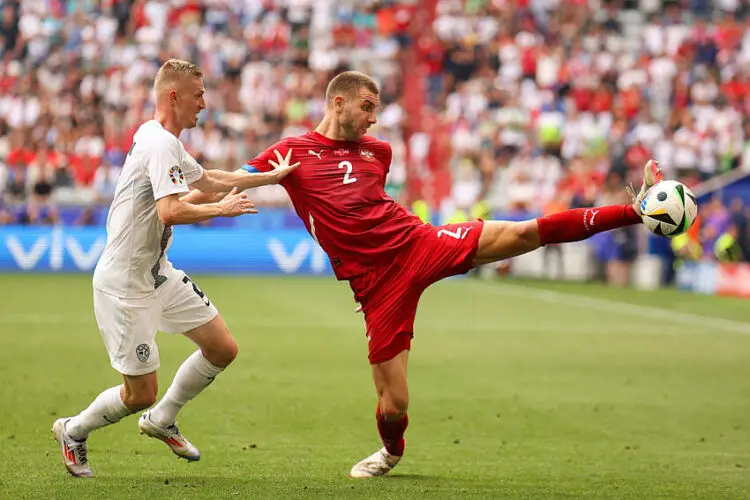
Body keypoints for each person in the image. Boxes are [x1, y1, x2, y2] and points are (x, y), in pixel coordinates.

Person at [237, 71, 663, 478]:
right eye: (368, 107)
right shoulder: (290, 151)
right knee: (395, 403)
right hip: (376, 285)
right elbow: (235, 179)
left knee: (522, 232)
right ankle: (391, 450)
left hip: (418, 244)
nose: (374, 118)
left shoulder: (378, 152)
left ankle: (633, 211)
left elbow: (369, 203)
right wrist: (182, 197)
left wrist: (632, 212)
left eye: (377, 109)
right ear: (338, 102)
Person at [51, 59, 298, 478]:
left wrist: (271, 178)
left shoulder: (161, 139)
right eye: (198, 95)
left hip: (157, 273)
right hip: (125, 287)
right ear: (174, 95)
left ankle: (163, 419)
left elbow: (209, 179)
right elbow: (169, 211)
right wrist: (220, 210)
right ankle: (73, 431)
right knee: (138, 394)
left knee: (222, 348)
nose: (204, 103)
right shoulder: (160, 143)